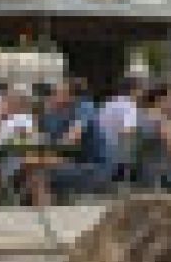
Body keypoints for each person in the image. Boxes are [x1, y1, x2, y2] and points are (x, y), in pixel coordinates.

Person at [26, 78, 111, 206]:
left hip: (94, 166)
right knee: (31, 169)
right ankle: (46, 210)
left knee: (40, 174)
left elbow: (73, 137)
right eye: (51, 93)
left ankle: (48, 215)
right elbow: (38, 137)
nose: (51, 97)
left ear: (70, 96)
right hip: (73, 161)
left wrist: (49, 155)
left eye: (56, 93)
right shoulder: (52, 114)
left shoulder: (84, 106)